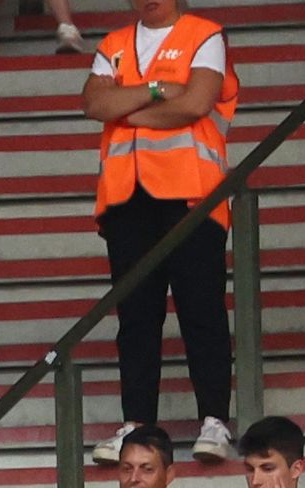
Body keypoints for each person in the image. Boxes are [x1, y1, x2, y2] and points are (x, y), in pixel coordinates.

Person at [84, 0, 237, 455]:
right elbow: (93, 102)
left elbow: (195, 102)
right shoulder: (112, 44)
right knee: (135, 317)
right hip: (127, 197)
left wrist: (125, 109)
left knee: (202, 309)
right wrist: (154, 89)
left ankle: (214, 421)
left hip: (192, 194)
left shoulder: (204, 34)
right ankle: (137, 425)